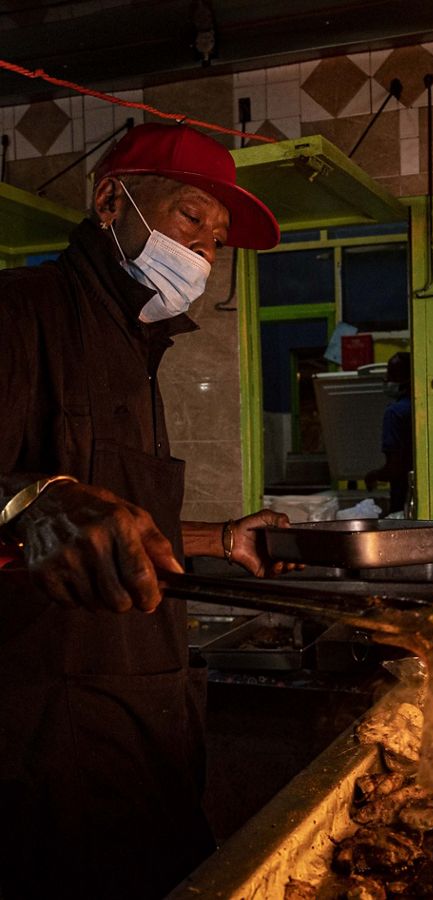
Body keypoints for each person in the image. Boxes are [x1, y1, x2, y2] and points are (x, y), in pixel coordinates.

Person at [0, 122, 290, 900]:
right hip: (50, 735)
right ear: (109, 202)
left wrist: (221, 540)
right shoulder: (19, 312)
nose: (203, 252)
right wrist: (35, 502)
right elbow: (43, 509)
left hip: (147, 715)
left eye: (218, 241)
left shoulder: (135, 346)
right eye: (191, 219)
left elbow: (111, 524)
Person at [365, 351, 413, 514]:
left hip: (404, 495)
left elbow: (395, 466)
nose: (386, 379)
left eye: (390, 374)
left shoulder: (395, 413)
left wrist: (374, 475)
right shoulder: (425, 408)